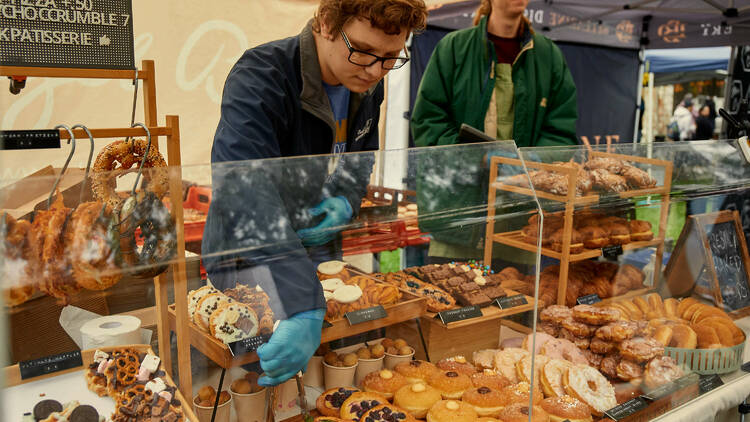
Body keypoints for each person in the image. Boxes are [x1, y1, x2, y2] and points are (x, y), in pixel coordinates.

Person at [202, 0, 427, 387]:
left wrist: (344, 200)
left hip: (316, 252)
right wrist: (301, 302)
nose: (375, 70)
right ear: (325, 23)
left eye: (391, 58)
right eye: (361, 51)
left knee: (317, 388)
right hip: (251, 257)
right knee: (249, 383)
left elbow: (359, 158)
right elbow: (244, 190)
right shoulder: (261, 75)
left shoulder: (367, 84)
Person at [410, 0, 578, 264]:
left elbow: (561, 133)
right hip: (459, 219)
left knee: (513, 300)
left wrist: (526, 167)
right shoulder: (453, 48)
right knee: (454, 298)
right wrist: (472, 157)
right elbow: (428, 122)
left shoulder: (549, 56)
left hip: (519, 225)